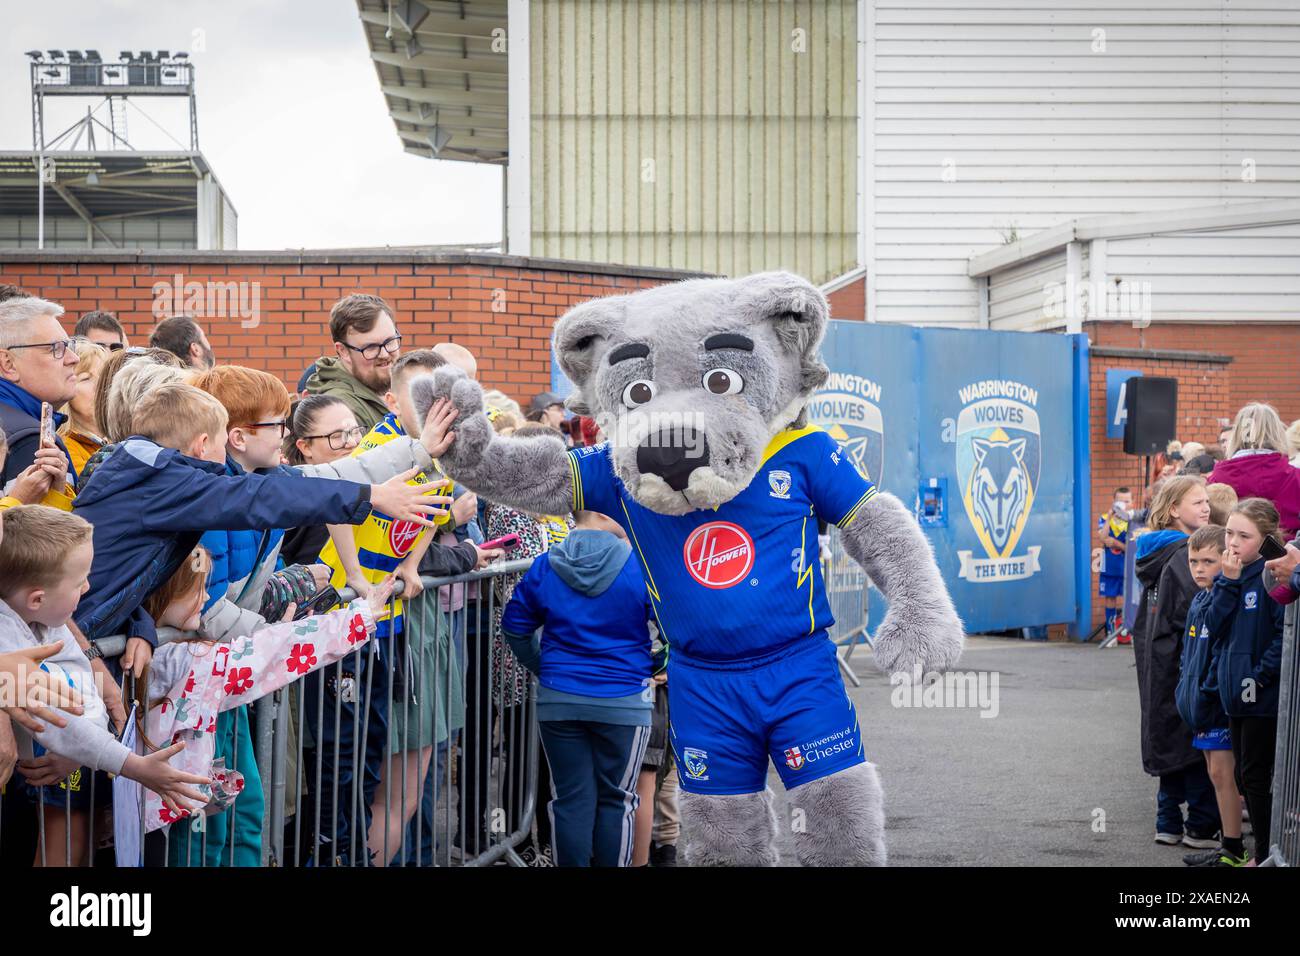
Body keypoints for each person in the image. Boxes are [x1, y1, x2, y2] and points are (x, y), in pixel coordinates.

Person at [137, 546, 395, 856]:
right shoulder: (188, 659)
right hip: (166, 806)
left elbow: (269, 650)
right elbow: (271, 654)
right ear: (162, 596)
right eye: (196, 590)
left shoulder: (175, 653)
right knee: (196, 849)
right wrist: (357, 619)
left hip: (166, 797)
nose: (208, 598)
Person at [0, 505, 209, 866]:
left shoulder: (49, 623)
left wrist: (84, 750)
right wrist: (131, 765)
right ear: (37, 598)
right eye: (80, 580)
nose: (89, 586)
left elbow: (82, 696)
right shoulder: (8, 638)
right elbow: (58, 721)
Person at [500, 510, 659, 867]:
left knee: (570, 799)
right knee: (617, 801)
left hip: (561, 699)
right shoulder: (642, 566)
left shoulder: (545, 564)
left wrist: (544, 667)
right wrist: (657, 664)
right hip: (624, 698)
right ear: (604, 511)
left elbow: (514, 626)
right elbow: (673, 629)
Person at [1132, 475, 1219, 849]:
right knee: (1195, 742)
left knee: (1168, 738)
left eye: (1206, 501)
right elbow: (1194, 614)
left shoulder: (1155, 552)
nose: (1206, 507)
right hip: (1183, 663)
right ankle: (1200, 824)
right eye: (1197, 502)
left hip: (1158, 663)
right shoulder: (1184, 555)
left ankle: (1167, 820)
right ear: (1173, 511)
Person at [1209, 497, 1286, 864]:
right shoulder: (1230, 573)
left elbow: (1280, 638)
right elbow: (1214, 626)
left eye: (1244, 536)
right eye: (1229, 533)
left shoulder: (1274, 574)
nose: (1232, 543)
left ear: (1267, 538)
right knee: (1244, 777)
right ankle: (1262, 851)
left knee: (1256, 779)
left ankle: (1264, 853)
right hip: (1234, 693)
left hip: (1261, 696)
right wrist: (1228, 582)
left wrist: (1257, 678)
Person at [1174, 524, 1249, 867]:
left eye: (1207, 561)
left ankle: (1234, 847)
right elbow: (1189, 655)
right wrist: (1184, 689)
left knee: (1223, 775)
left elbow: (1222, 651)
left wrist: (1205, 693)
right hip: (1199, 706)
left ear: (1227, 559)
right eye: (1193, 562)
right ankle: (1228, 844)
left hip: (1217, 706)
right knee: (1214, 775)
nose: (1199, 569)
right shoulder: (1200, 599)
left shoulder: (1225, 596)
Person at [0, 296, 80, 509]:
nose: (73, 358)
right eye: (55, 348)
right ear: (8, 363)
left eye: (69, 345)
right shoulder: (30, 442)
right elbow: (40, 540)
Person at [305, 294, 401, 432]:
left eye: (390, 341)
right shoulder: (341, 409)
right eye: (371, 347)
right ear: (343, 351)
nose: (385, 354)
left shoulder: (399, 385)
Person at [1209, 403, 1300, 537]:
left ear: (1238, 432)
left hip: (1231, 553)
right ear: (1277, 432)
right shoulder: (1295, 477)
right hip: (1286, 553)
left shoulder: (1217, 478)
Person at [57, 341, 109, 475]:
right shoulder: (64, 448)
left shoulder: (123, 437)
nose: (100, 385)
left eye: (104, 376)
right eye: (86, 378)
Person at [1097, 487, 1132, 642]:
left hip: (1127, 568)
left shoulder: (1133, 520)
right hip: (1110, 566)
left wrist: (1117, 544)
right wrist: (1110, 518)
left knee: (1128, 600)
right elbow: (1102, 538)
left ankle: (1128, 632)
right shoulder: (1105, 518)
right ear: (1114, 501)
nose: (1123, 504)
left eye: (1127, 501)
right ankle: (1111, 634)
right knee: (1110, 598)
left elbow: (1132, 548)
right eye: (1120, 501)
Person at [149, 316, 215, 370]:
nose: (208, 344)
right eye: (204, 337)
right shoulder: (206, 385)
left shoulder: (154, 384)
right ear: (195, 349)